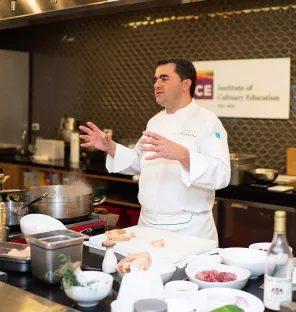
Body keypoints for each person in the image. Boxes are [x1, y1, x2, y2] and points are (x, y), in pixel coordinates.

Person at [79, 58, 230, 242]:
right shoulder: (155, 121)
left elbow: (222, 175)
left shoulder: (207, 121)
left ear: (185, 84)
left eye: (164, 79)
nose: (157, 84)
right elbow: (140, 163)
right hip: (147, 225)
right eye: (155, 79)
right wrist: (111, 148)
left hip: (188, 231)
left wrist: (182, 155)